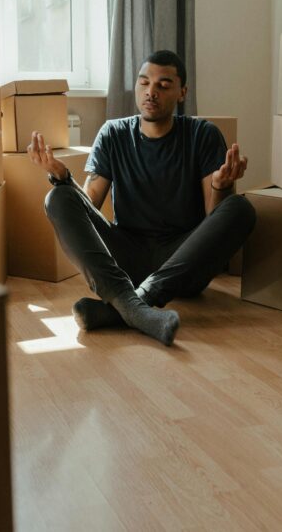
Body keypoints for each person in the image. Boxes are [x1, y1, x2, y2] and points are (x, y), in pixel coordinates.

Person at [27, 50, 256, 346]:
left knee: (240, 208)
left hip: (182, 261)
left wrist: (221, 186)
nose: (151, 92)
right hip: (125, 258)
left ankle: (126, 306)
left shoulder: (203, 134)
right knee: (57, 197)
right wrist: (62, 177)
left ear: (182, 92)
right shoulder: (113, 133)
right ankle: (132, 304)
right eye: (144, 82)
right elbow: (90, 204)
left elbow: (214, 217)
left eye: (163, 85)